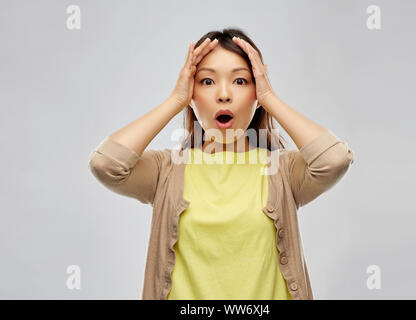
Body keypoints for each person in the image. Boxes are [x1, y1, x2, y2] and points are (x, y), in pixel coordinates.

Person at [88, 28, 355, 300]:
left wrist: (271, 99)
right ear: (191, 92)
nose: (224, 94)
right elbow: (106, 164)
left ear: (256, 93)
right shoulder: (165, 169)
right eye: (206, 82)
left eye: (240, 81)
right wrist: (175, 100)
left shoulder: (283, 171)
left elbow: (333, 160)